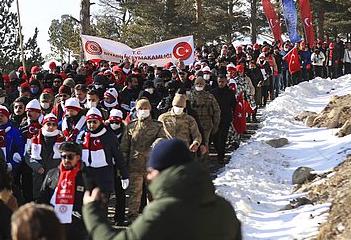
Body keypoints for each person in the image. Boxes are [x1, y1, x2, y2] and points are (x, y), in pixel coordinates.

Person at [82, 139, 242, 239]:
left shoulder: (163, 211)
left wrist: (92, 211)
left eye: (151, 170)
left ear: (164, 170)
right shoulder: (224, 208)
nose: (148, 177)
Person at [120, 98, 166, 222]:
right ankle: (132, 218)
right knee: (134, 195)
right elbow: (124, 147)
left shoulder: (157, 126)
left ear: (150, 109)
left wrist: (155, 145)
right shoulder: (131, 126)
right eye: (140, 108)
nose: (143, 111)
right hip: (135, 166)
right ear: (136, 110)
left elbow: (163, 139)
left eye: (145, 108)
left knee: (153, 193)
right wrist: (122, 166)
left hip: (151, 166)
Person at [37, 141, 87, 240]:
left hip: (78, 228)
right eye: (63, 156)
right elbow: (42, 199)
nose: (66, 160)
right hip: (54, 226)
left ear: (78, 157)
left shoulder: (86, 177)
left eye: (70, 157)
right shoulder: (52, 174)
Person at [81, 108, 128, 196]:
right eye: (89, 122)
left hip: (104, 174)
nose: (91, 125)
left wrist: (124, 175)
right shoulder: (83, 136)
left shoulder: (108, 136)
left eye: (95, 122)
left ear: (100, 122)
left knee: (101, 203)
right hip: (87, 174)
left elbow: (118, 156)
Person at [25, 113, 63, 201]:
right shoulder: (35, 139)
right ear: (43, 124)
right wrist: (36, 166)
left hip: (54, 176)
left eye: (54, 124)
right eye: (48, 124)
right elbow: (27, 156)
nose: (51, 127)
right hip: (39, 175)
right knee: (38, 199)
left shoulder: (61, 140)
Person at [188, 77, 220, 158]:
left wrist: (216, 124)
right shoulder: (190, 96)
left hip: (206, 124)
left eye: (201, 84)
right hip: (193, 124)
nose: (199, 85)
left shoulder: (209, 96)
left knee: (205, 144)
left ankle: (204, 164)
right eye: (197, 84)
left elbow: (217, 110)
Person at [211, 75, 237, 165]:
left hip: (225, 118)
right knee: (215, 137)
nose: (221, 83)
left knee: (222, 138)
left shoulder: (230, 93)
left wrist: (234, 116)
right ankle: (219, 152)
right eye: (219, 82)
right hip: (215, 119)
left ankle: (221, 157)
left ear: (226, 82)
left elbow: (234, 105)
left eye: (222, 82)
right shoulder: (213, 92)